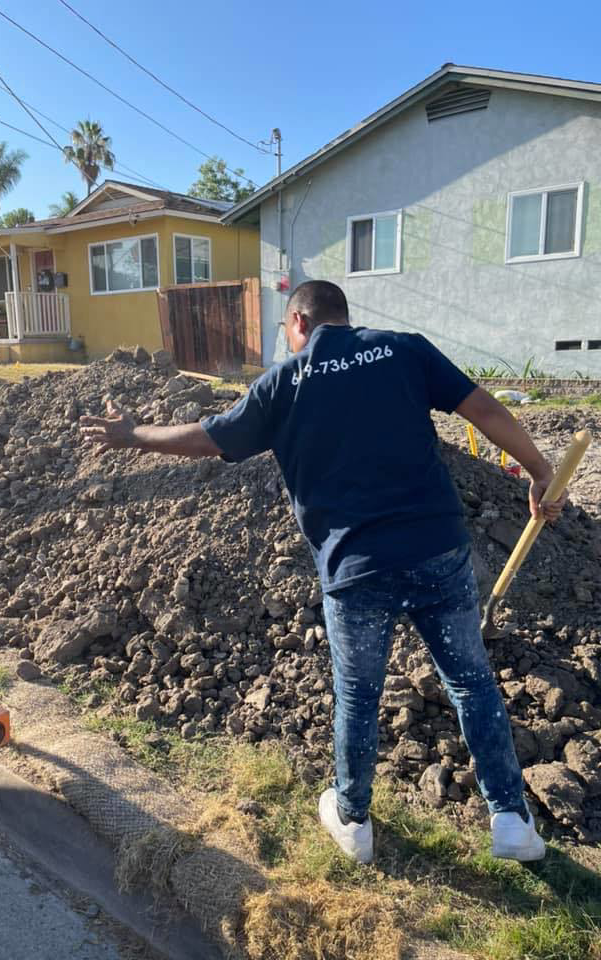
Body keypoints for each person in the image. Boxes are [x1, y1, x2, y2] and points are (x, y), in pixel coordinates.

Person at [80, 280, 565, 864]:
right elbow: (483, 407)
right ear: (343, 317)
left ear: (299, 323)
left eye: (287, 331)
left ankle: (354, 821)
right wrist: (539, 469)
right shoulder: (401, 348)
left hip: (354, 569)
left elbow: (206, 438)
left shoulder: (282, 383)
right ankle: (510, 819)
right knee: (471, 682)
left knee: (358, 696)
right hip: (436, 549)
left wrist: (132, 433)